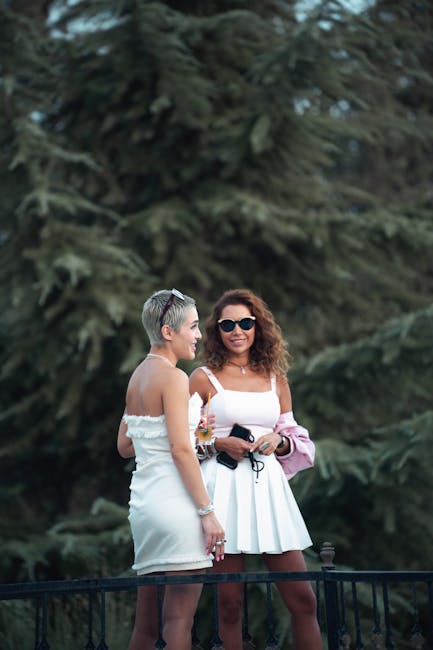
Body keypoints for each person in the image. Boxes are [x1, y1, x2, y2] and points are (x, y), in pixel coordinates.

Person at [189, 288, 322, 650]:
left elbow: (293, 435)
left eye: (245, 323)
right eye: (227, 324)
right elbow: (185, 439)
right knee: (229, 605)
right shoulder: (202, 378)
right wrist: (219, 443)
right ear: (216, 331)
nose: (237, 330)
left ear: (257, 327)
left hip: (269, 492)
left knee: (304, 601)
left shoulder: (276, 379)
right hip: (222, 489)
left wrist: (279, 442)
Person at [117, 288, 225, 650]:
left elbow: (125, 445)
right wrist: (207, 513)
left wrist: (193, 432)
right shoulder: (175, 378)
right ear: (168, 331)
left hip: (145, 508)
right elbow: (180, 449)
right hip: (177, 508)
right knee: (179, 620)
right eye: (192, 327)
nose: (199, 335)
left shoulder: (137, 377)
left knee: (146, 626)